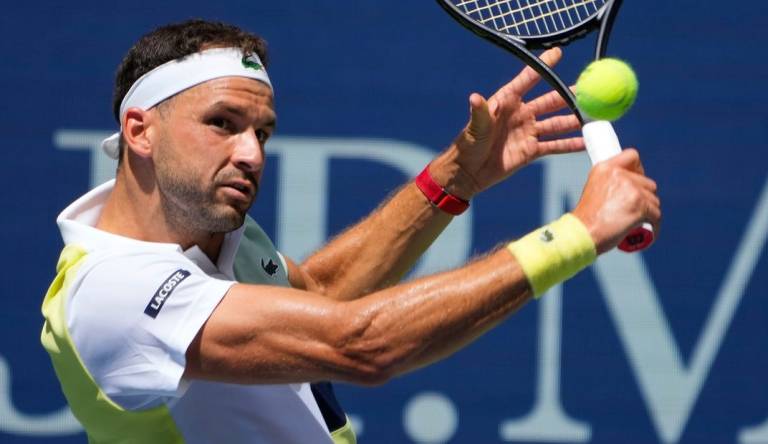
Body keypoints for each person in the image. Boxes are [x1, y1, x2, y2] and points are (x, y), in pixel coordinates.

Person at [40, 19, 660, 444]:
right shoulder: (114, 292)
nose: (252, 154)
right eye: (222, 123)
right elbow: (359, 344)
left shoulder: (210, 232)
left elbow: (318, 295)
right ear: (140, 131)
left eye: (261, 132)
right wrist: (580, 232)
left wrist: (454, 179)